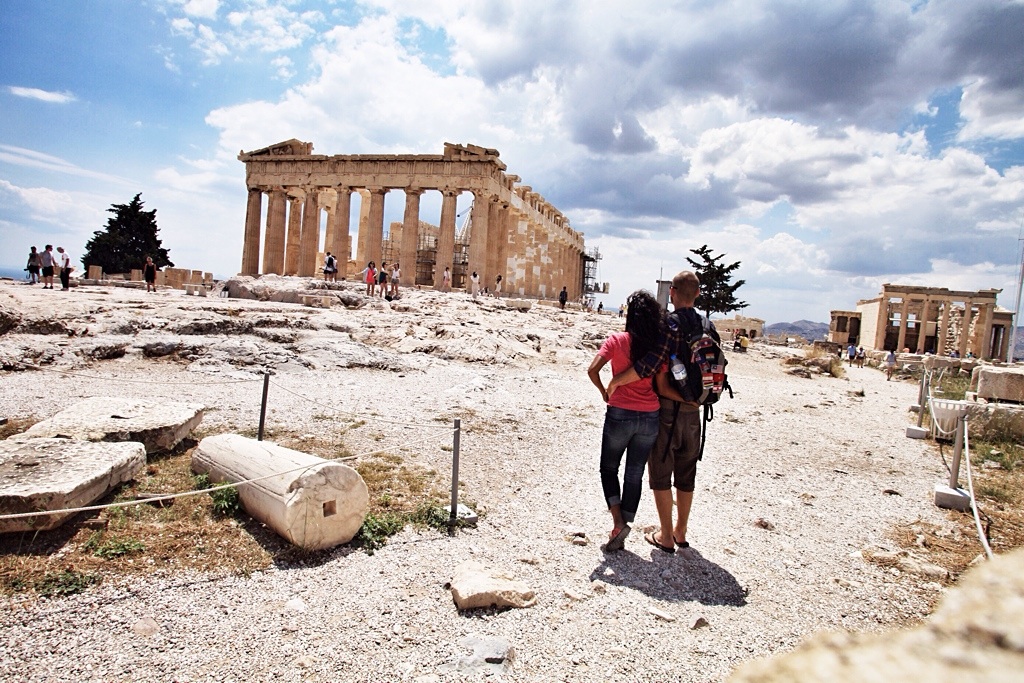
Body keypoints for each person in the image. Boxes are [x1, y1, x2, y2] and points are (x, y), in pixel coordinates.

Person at [606, 271, 714, 554]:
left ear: (673, 293)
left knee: (661, 474)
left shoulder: (671, 325)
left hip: (668, 411)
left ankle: (665, 535)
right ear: (698, 294)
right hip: (695, 412)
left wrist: (618, 380)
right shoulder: (708, 325)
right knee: (687, 474)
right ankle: (681, 531)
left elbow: (651, 365)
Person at [587, 290, 664, 551]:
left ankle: (618, 520)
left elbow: (592, 369)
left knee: (608, 468)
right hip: (650, 414)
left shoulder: (617, 340)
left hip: (620, 411)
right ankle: (625, 523)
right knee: (635, 473)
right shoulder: (657, 346)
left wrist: (604, 392)